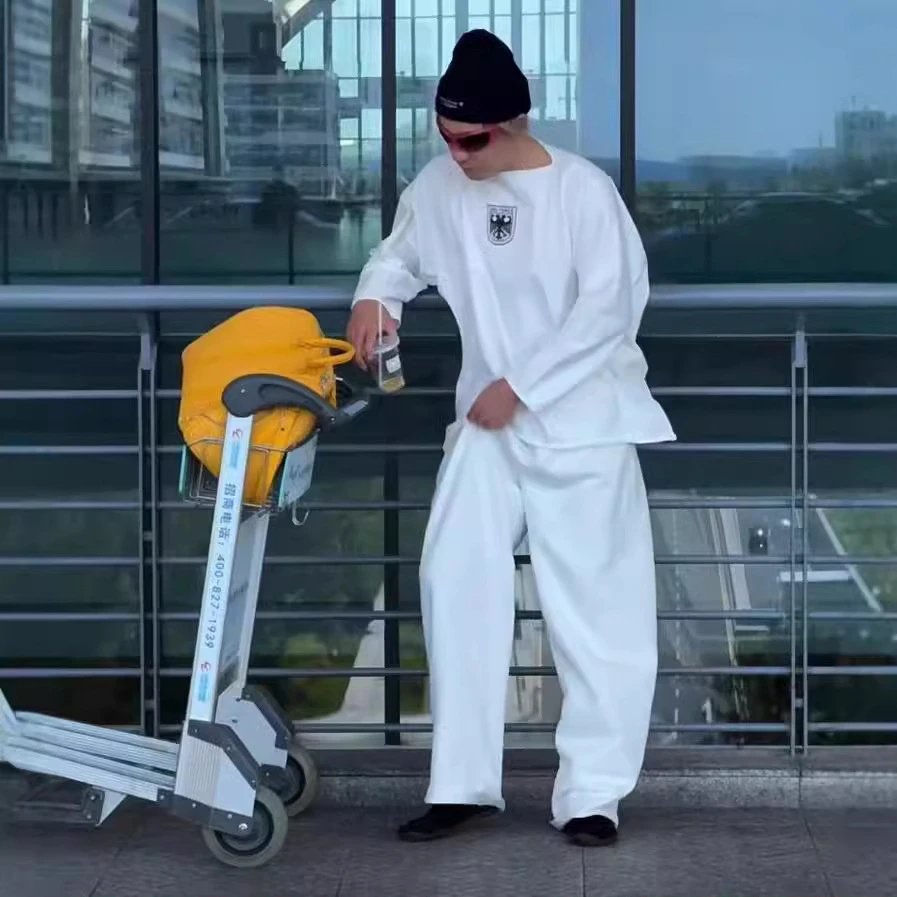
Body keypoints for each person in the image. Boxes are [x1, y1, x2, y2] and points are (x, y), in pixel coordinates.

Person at [346, 29, 676, 847]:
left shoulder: (582, 192)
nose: (456, 154)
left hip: (583, 425)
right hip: (485, 425)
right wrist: (374, 298)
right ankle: (461, 785)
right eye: (446, 137)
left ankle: (592, 795)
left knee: (598, 614)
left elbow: (610, 309)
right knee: (452, 584)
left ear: (518, 121)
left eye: (472, 140)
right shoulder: (438, 184)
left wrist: (523, 385)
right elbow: (397, 255)